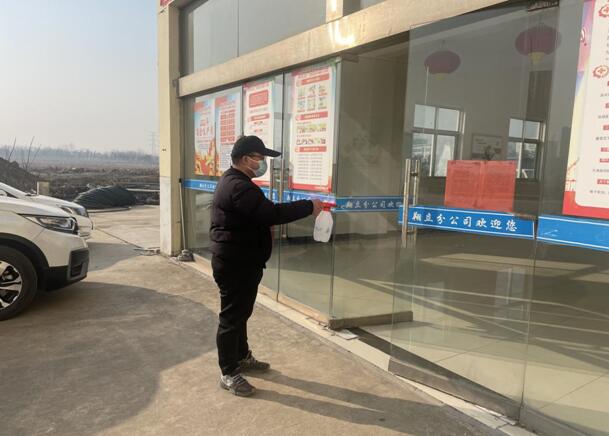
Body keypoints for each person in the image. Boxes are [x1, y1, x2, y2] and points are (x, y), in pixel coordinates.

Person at [210, 135, 323, 397]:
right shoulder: (239, 187)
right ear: (245, 159)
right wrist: (309, 206)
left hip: (241, 261)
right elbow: (271, 213)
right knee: (231, 318)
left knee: (240, 314)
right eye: (260, 158)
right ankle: (228, 372)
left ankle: (241, 356)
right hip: (235, 264)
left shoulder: (235, 182)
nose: (263, 163)